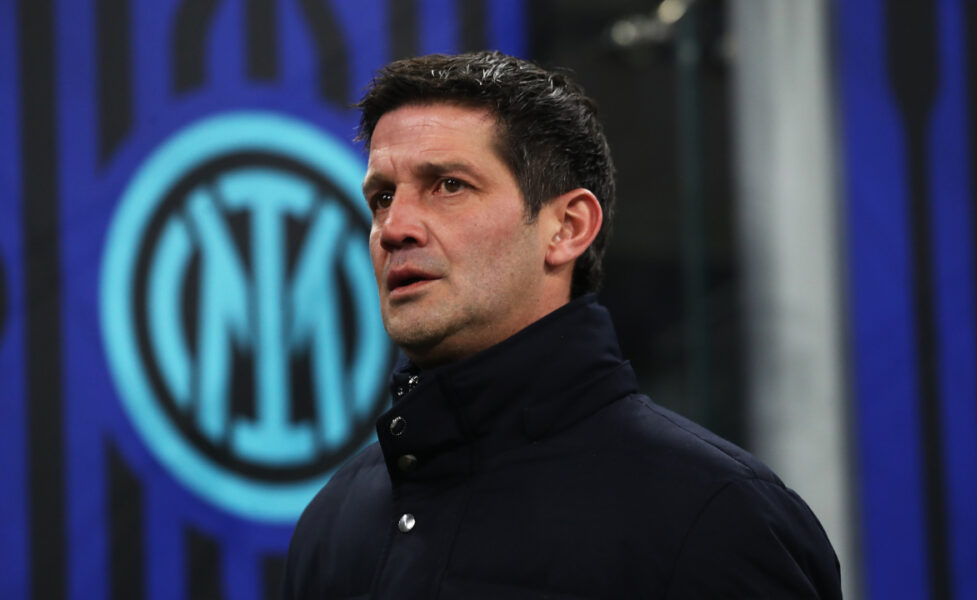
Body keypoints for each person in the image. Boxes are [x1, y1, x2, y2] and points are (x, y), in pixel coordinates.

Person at [283, 50, 842, 599]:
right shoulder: (333, 522)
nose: (394, 228)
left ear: (568, 228)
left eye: (449, 185)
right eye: (383, 197)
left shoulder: (717, 517)